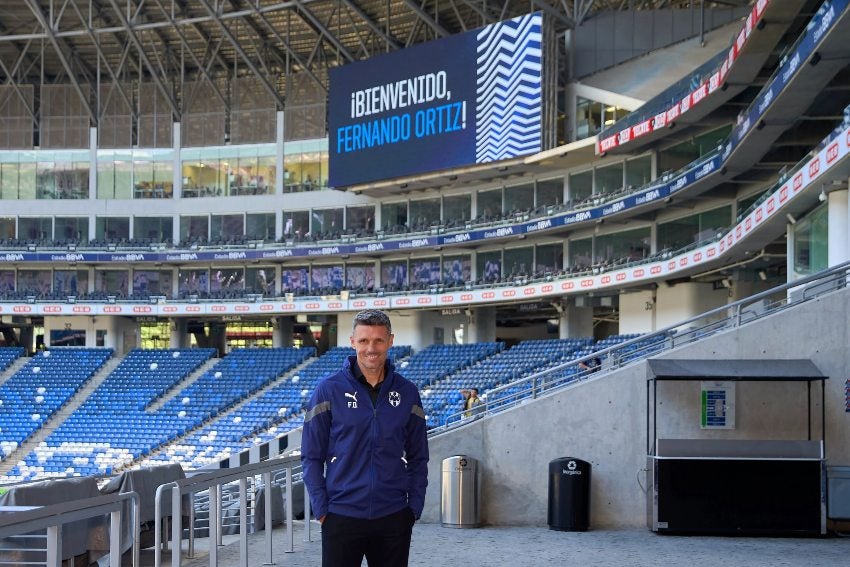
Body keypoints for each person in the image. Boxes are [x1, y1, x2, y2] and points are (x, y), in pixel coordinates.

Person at [301, 309, 429, 567]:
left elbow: (419, 456)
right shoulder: (328, 390)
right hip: (341, 516)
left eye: (379, 340)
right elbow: (311, 456)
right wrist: (322, 509)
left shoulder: (407, 392)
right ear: (352, 342)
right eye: (364, 341)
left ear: (390, 341)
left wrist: (413, 507)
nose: (371, 348)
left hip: (393, 516)